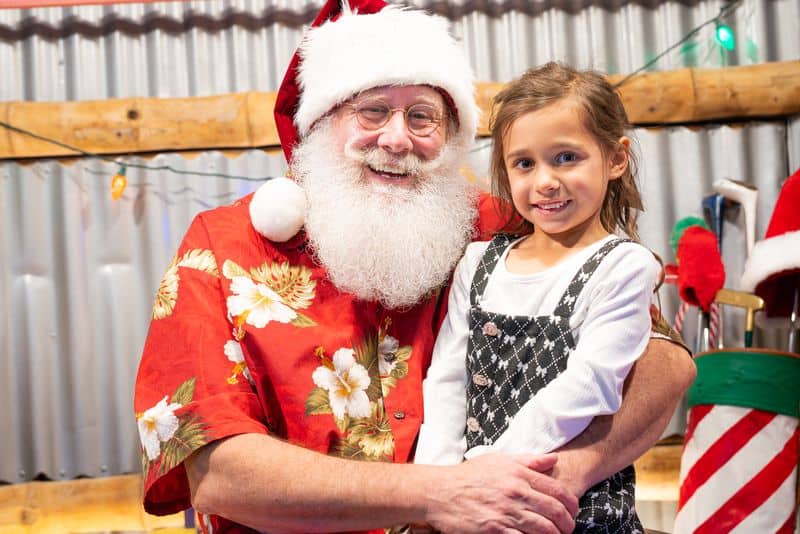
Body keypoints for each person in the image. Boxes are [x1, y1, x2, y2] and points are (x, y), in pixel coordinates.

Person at [133, 2, 695, 533]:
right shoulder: (223, 247)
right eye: (372, 110)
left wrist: (545, 484)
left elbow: (662, 364)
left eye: (422, 117)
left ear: (450, 137)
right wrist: (441, 495)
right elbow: (211, 469)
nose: (397, 139)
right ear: (321, 120)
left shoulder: (498, 229)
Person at [415, 62, 662, 532]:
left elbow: (591, 385)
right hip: (466, 499)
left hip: (564, 503)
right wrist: (438, 486)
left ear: (615, 158)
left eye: (566, 157)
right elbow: (447, 378)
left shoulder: (624, 266)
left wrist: (487, 472)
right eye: (525, 163)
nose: (545, 181)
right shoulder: (477, 262)